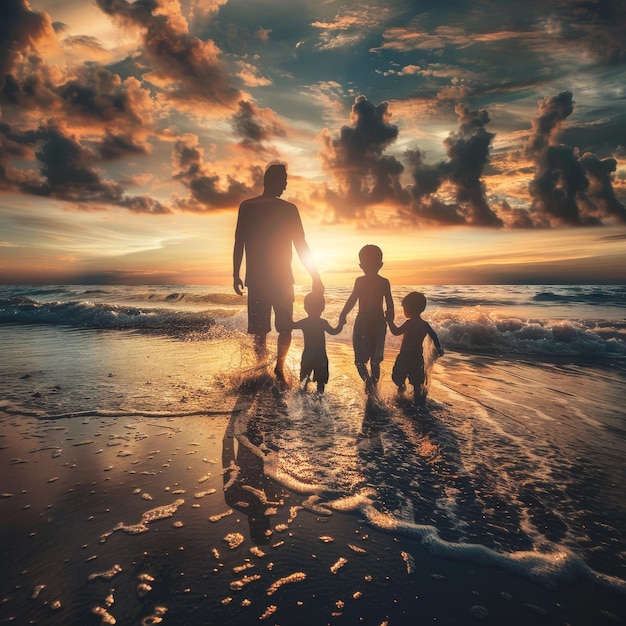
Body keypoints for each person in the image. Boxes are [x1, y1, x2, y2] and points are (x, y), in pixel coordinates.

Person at [233, 163, 323, 383]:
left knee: (263, 331)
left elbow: (239, 243)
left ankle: (270, 368)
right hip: (279, 279)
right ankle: (275, 369)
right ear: (272, 181)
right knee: (283, 327)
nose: (285, 185)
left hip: (259, 279)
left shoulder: (249, 206)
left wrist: (236, 273)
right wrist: (315, 276)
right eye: (283, 180)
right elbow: (301, 245)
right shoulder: (285, 209)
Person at [339, 245, 394, 388]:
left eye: (372, 263)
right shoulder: (366, 281)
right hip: (371, 321)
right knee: (366, 360)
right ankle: (370, 384)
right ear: (361, 265)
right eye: (367, 263)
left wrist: (343, 315)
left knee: (370, 360)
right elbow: (352, 299)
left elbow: (389, 300)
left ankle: (371, 385)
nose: (369, 267)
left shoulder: (380, 282)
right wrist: (343, 313)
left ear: (380, 265)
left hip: (371, 321)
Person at [386, 291, 444, 405]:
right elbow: (434, 336)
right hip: (417, 357)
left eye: (405, 308)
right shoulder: (425, 324)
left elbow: (396, 331)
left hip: (405, 356)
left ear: (410, 309)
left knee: (398, 378)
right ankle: (418, 401)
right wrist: (438, 347)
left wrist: (389, 321)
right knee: (417, 382)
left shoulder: (409, 323)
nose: (404, 311)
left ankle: (401, 396)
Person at [292, 291, 344, 393]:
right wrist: (341, 323)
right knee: (321, 382)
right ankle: (320, 398)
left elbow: (291, 325)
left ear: (305, 308)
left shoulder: (304, 322)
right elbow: (334, 331)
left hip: (308, 353)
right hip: (320, 355)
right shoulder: (323, 323)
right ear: (322, 308)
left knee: (304, 380)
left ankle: (303, 398)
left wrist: (285, 314)